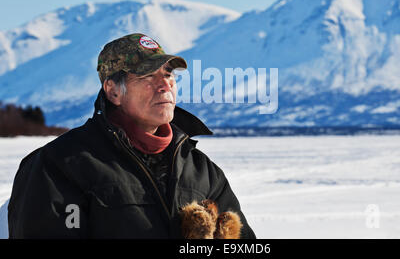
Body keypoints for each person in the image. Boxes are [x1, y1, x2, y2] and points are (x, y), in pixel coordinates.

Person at [8, 33, 256, 239]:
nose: (164, 85)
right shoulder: (60, 165)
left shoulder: (203, 172)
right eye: (148, 76)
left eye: (169, 74)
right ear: (113, 91)